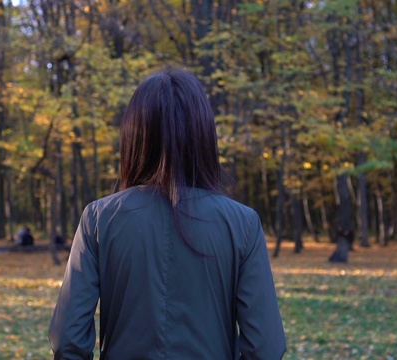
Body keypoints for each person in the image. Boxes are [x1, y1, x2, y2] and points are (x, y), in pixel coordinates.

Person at [48, 68, 286, 359]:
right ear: (203, 135)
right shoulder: (243, 223)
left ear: (135, 137)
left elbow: (67, 340)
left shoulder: (99, 219)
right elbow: (265, 347)